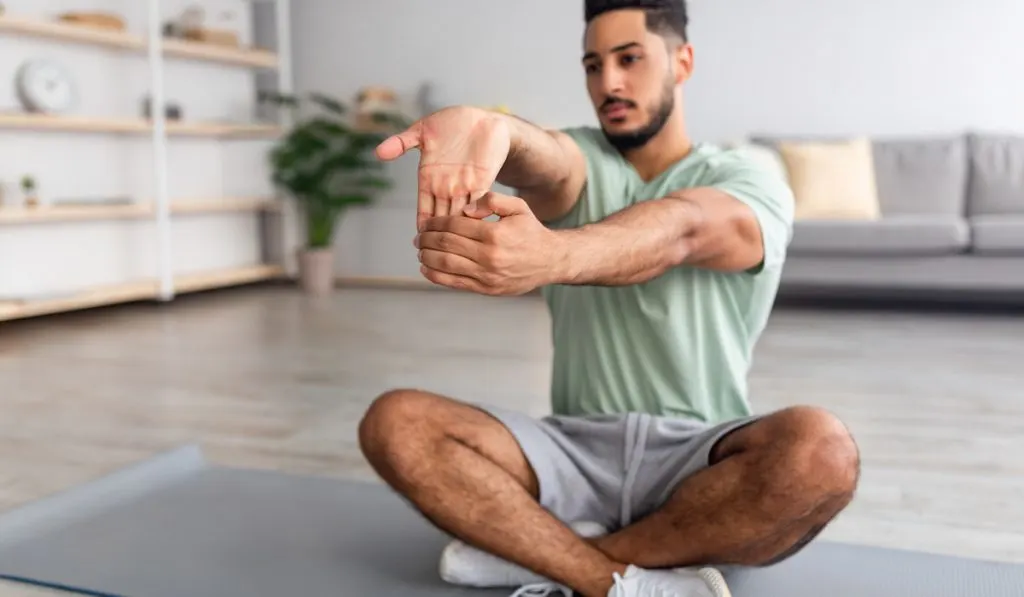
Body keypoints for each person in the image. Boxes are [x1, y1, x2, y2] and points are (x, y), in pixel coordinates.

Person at [358, 0, 860, 595]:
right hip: (570, 450)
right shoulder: (582, 158)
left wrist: (551, 256)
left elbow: (683, 229)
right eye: (593, 65)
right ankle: (620, 578)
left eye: (630, 60)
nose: (609, 83)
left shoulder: (748, 174)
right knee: (396, 422)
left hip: (694, 460)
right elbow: (545, 159)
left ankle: (547, 555)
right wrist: (493, 128)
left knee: (821, 451)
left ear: (682, 62)